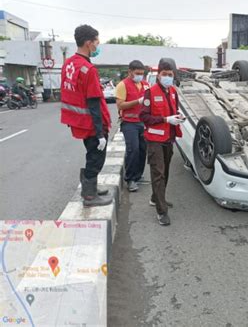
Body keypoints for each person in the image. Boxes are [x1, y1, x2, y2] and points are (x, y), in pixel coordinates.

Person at [60, 24, 112, 207]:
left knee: (91, 154)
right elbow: (94, 103)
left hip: (77, 121)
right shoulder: (88, 69)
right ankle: (89, 195)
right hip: (91, 123)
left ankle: (92, 187)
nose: (98, 45)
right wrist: (100, 133)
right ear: (89, 43)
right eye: (97, 41)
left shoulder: (69, 64)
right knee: (96, 157)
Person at [139, 61, 185, 226]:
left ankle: (156, 198)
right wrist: (165, 119)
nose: (167, 77)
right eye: (164, 74)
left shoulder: (173, 91)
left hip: (169, 139)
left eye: (170, 75)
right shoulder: (150, 93)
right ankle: (161, 210)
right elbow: (143, 117)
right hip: (154, 140)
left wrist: (178, 117)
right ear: (158, 75)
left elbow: (174, 110)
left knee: (164, 171)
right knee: (158, 173)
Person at [115, 60, 149, 192]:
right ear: (130, 72)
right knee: (133, 150)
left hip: (143, 122)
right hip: (129, 123)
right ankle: (130, 179)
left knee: (142, 149)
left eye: (142, 73)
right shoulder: (122, 85)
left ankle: (138, 175)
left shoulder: (145, 85)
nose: (140, 76)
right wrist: (137, 101)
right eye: (137, 73)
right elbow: (120, 105)